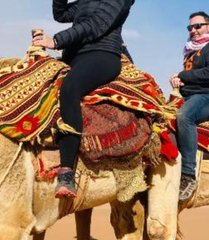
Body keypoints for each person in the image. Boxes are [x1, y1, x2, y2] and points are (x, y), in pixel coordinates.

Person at [32, 0, 135, 198]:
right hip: (74, 56)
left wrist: (55, 41)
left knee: (69, 88)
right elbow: (61, 15)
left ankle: (66, 171)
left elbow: (96, 24)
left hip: (101, 53)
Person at [169, 11, 209, 201]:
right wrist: (181, 83)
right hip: (192, 95)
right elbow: (195, 76)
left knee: (184, 116)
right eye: (190, 27)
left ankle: (188, 175)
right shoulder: (193, 49)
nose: (194, 30)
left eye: (198, 26)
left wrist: (182, 76)